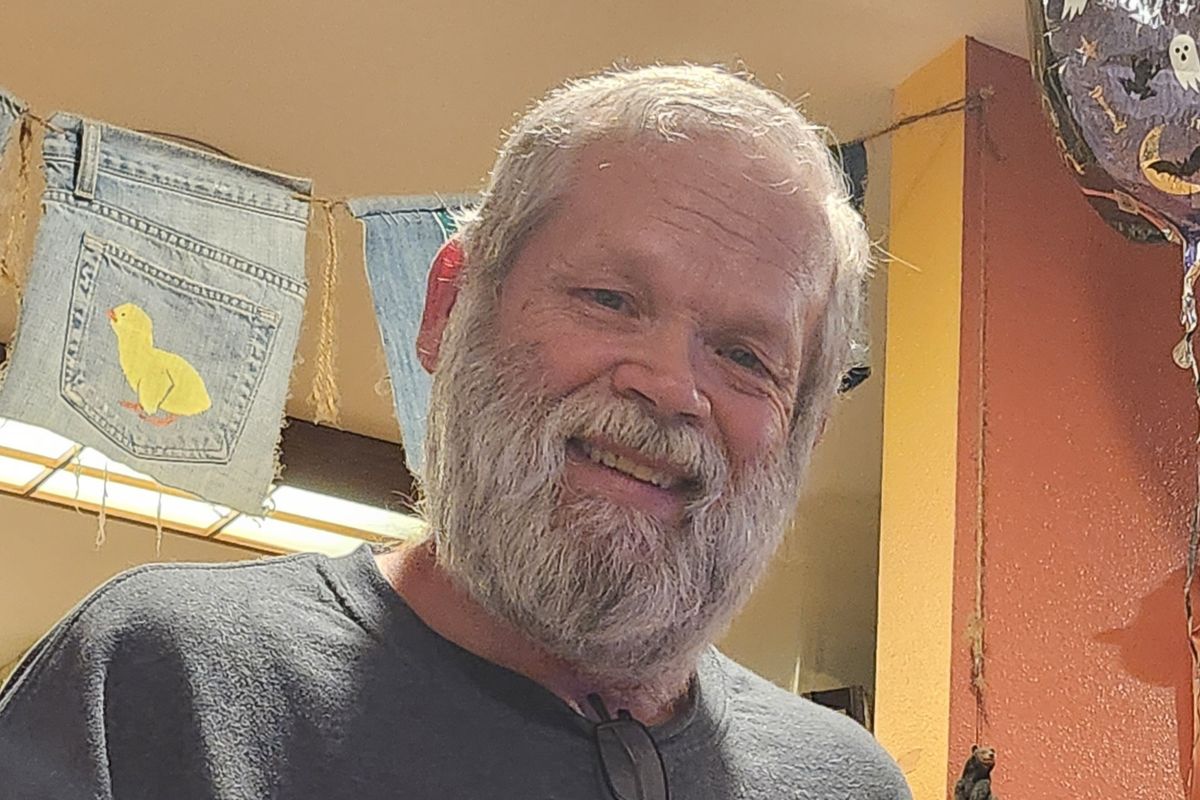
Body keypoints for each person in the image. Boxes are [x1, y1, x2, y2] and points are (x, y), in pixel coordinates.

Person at [0, 64, 910, 799]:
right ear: (448, 306)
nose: (672, 386)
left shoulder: (848, 784)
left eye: (745, 355)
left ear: (807, 426)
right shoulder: (160, 686)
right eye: (608, 298)